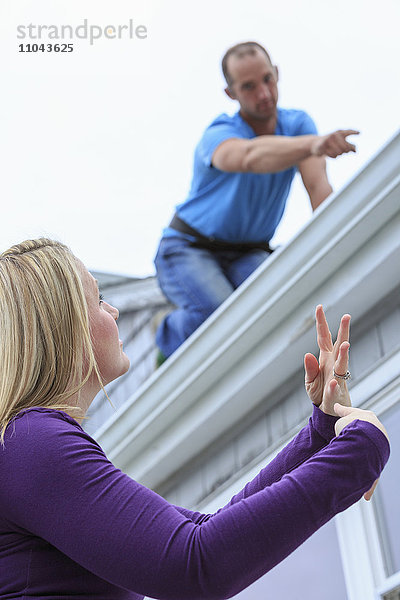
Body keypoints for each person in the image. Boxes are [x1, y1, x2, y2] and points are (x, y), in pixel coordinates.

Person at [0, 238, 389, 599]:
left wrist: (322, 435)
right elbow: (196, 564)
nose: (114, 309)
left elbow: (204, 532)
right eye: (99, 299)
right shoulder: (31, 442)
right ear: (63, 324)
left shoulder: (27, 445)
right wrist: (360, 449)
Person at [154, 41, 359, 360]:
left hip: (248, 251)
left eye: (267, 79)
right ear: (231, 93)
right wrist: (314, 144)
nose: (263, 93)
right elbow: (250, 156)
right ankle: (168, 331)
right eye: (248, 86)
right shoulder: (219, 133)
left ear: (277, 74)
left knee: (282, 308)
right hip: (188, 248)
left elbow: (319, 190)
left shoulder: (297, 126)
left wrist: (339, 252)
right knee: (223, 319)